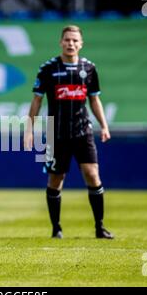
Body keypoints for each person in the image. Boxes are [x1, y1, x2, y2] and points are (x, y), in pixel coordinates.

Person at [24, 25, 114, 240]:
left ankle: (99, 227)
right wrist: (30, 129)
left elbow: (94, 99)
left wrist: (104, 125)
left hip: (83, 131)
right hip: (56, 134)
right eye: (67, 40)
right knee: (56, 180)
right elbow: (37, 100)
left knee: (92, 174)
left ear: (81, 44)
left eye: (75, 40)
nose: (71, 43)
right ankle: (56, 228)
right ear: (61, 42)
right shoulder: (48, 69)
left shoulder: (89, 68)